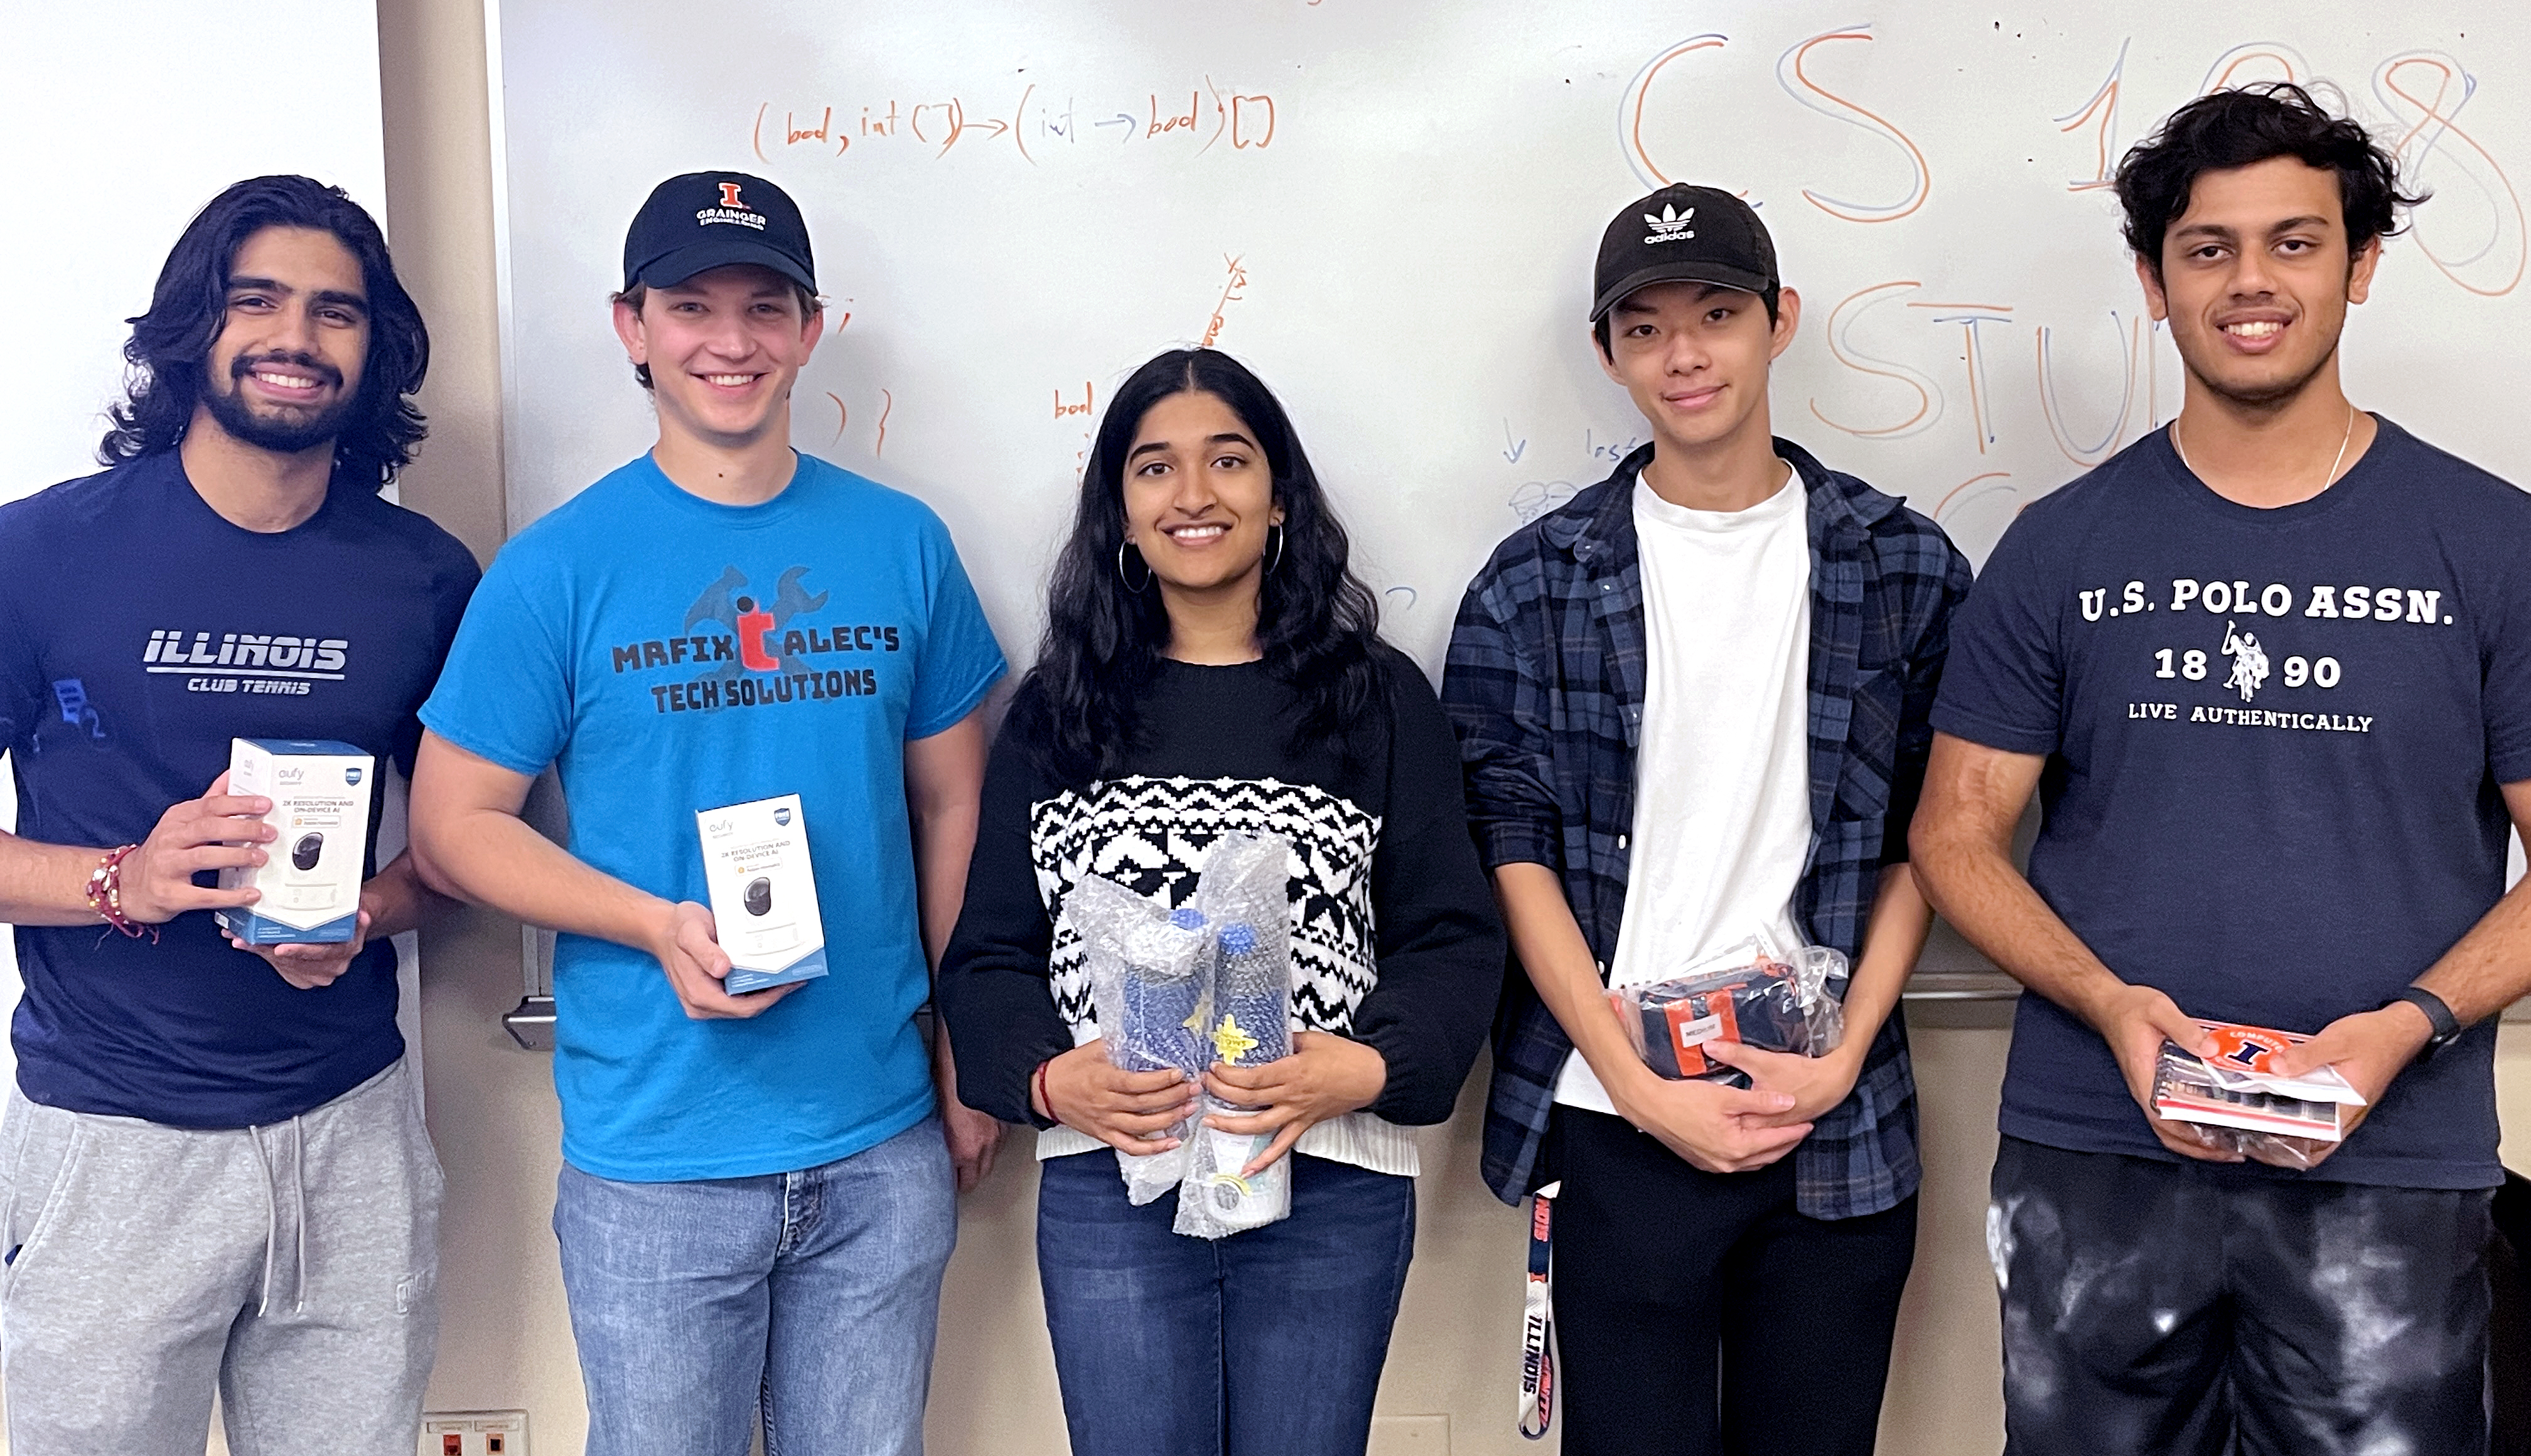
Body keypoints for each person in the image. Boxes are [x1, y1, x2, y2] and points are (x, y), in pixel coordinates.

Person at [1910, 83, 2531, 1455]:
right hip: (2098, 1149)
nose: (2251, 281)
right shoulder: (2062, 545)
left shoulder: (2495, 545)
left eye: (2295, 242)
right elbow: (1956, 836)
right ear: (2154, 278)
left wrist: (2407, 1021)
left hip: (2394, 1162)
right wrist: (2111, 1004)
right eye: (2208, 247)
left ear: (2361, 265)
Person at [408, 171, 1006, 1454]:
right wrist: (650, 922)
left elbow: (956, 803)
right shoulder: (558, 567)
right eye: (691, 305)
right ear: (633, 326)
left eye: (763, 306)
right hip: (656, 1160)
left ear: (809, 327)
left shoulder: (905, 544)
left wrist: (965, 1059)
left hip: (877, 1139)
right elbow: (457, 822)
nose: (729, 340)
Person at [1442, 184, 1971, 1455]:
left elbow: (1937, 834)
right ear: (1608, 350)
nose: (1685, 354)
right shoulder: (1533, 581)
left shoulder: (1904, 565)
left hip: (1832, 1113)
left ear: (1779, 321)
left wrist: (1842, 1052)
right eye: (1647, 326)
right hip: (1613, 1106)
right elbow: (1508, 846)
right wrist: (1630, 1082)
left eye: (1719, 314)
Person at [937, 348, 1502, 1455]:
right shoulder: (1062, 711)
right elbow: (989, 954)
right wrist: (1050, 1080)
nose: (1193, 495)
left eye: (1228, 462)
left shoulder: (1375, 697)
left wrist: (1374, 1066)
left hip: (1331, 1170)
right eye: (1155, 470)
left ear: (1279, 495)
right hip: (1116, 1182)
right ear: (1122, 516)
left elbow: (1451, 934)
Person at [0, 175, 476, 1455]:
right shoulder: (36, 552)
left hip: (349, 1131)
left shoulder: (428, 577)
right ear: (191, 328)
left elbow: (465, 848)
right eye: (255, 299)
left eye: (337, 312)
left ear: (374, 352)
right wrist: (123, 879)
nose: (296, 336)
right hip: (109, 1136)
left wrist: (368, 913)